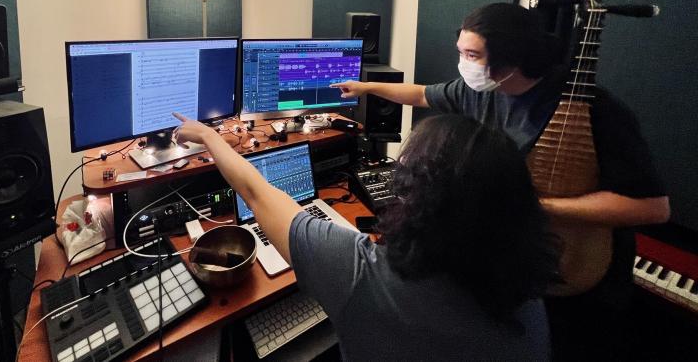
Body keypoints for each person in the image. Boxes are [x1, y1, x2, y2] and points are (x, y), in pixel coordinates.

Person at [331, 2, 670, 360]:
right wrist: (365, 87)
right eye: (461, 52)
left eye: (472, 55)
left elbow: (653, 209)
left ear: (512, 58)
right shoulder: (480, 90)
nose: (463, 64)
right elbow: (420, 94)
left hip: (579, 277)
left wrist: (538, 205)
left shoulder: (594, 109)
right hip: (513, 270)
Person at [174, 111, 558, 361]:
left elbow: (256, 192)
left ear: (414, 199)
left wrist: (210, 136)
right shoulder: (528, 294)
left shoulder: (361, 273)